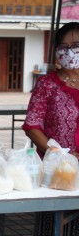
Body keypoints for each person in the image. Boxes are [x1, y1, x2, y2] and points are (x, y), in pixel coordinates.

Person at [23, 22, 79, 160]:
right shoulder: (47, 84)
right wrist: (59, 156)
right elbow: (32, 126)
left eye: (76, 45)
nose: (69, 52)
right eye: (63, 47)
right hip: (57, 168)